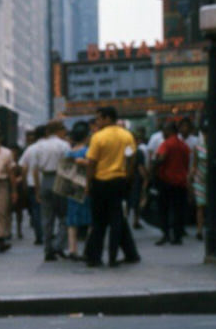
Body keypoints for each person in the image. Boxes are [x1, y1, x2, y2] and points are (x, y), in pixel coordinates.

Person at [83, 106, 141, 268]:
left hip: (101, 182)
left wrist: (88, 184)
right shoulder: (127, 135)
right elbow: (131, 158)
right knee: (117, 219)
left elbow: (91, 163)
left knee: (99, 221)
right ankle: (114, 256)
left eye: (99, 119)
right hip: (119, 182)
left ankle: (95, 257)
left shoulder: (98, 137)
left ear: (108, 118)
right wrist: (128, 176)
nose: (97, 122)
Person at [23, 120, 71, 261]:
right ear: (58, 130)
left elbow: (35, 170)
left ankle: (48, 248)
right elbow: (67, 166)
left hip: (45, 179)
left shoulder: (38, 146)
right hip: (60, 177)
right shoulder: (64, 145)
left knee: (47, 218)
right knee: (64, 216)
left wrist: (37, 190)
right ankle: (59, 245)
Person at [152, 120, 190, 245]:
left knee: (164, 209)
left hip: (166, 181)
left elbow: (161, 158)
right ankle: (177, 236)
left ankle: (166, 234)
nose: (163, 132)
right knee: (179, 209)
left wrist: (154, 166)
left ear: (169, 131)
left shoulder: (166, 144)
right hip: (181, 182)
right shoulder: (184, 146)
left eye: (164, 130)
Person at [62, 121, 92, 260]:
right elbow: (91, 169)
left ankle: (72, 249)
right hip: (85, 187)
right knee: (89, 219)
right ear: (86, 137)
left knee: (72, 220)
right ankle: (88, 248)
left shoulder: (69, 152)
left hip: (71, 186)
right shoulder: (87, 152)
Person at [182, 117, 208, 239]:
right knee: (200, 205)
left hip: (211, 179)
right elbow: (194, 164)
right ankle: (199, 230)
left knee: (209, 206)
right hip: (200, 178)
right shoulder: (198, 147)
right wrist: (190, 178)